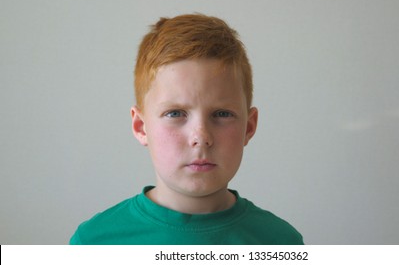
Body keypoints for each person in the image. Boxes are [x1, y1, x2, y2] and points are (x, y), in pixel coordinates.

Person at [70, 14, 304, 245]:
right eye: (175, 113)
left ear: (249, 127)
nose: (201, 137)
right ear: (141, 127)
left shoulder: (280, 243)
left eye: (222, 114)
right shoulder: (94, 243)